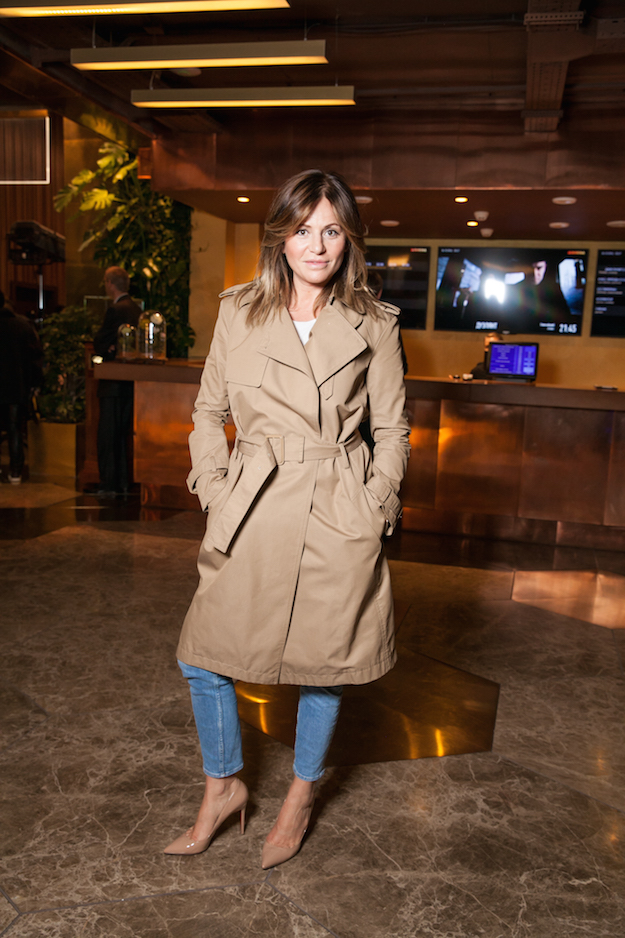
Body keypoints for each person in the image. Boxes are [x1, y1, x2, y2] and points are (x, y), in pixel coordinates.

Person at [165, 170, 411, 869]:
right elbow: (208, 412)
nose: (317, 246)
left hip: (337, 504)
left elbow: (392, 430)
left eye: (331, 230)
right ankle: (223, 786)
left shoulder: (374, 323)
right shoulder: (240, 311)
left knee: (323, 666)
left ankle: (301, 795)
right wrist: (216, 489)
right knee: (201, 655)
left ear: (349, 240)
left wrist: (373, 505)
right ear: (280, 235)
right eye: (303, 230)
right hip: (252, 501)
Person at [93, 266, 141, 496]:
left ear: (110, 283)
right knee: (123, 434)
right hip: (131, 382)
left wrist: (107, 348)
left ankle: (109, 482)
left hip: (112, 380)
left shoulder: (115, 310)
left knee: (108, 434)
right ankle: (123, 481)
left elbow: (100, 342)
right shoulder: (137, 309)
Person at [0, 289, 43, 484]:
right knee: (14, 428)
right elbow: (35, 358)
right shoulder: (22, 326)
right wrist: (34, 383)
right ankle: (16, 471)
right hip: (16, 386)